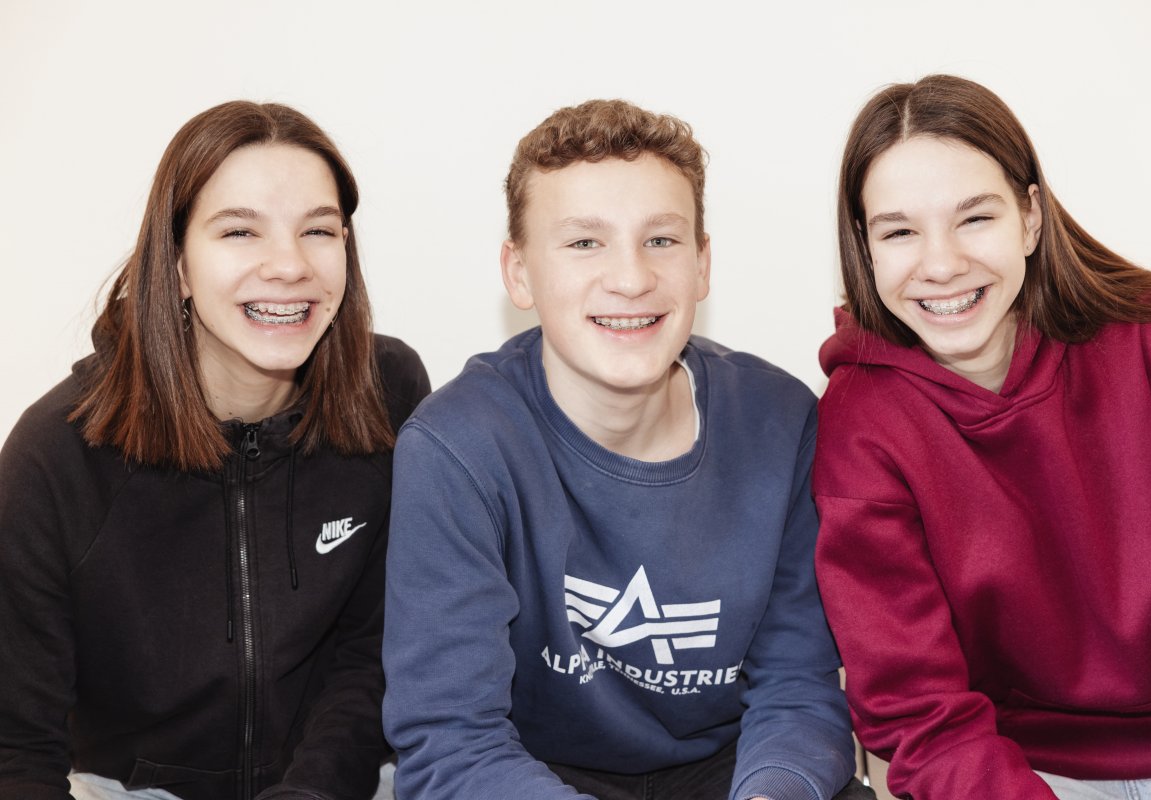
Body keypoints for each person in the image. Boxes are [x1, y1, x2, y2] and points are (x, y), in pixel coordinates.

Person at [381, 98, 869, 800]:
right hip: (527, 775)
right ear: (518, 272)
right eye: (585, 243)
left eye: (661, 240)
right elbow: (451, 739)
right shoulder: (456, 447)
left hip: (735, 769)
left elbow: (797, 688)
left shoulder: (781, 422)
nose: (632, 278)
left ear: (702, 264)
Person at [0, 101, 430, 800]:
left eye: (318, 230)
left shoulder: (390, 392)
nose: (289, 266)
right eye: (239, 231)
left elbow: (372, 653)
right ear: (177, 264)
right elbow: (17, 749)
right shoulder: (55, 454)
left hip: (337, 783)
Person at [813, 73, 1151, 800]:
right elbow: (915, 707)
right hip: (1015, 769)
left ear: (1030, 217)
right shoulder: (860, 421)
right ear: (865, 248)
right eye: (900, 231)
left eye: (975, 218)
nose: (941, 264)